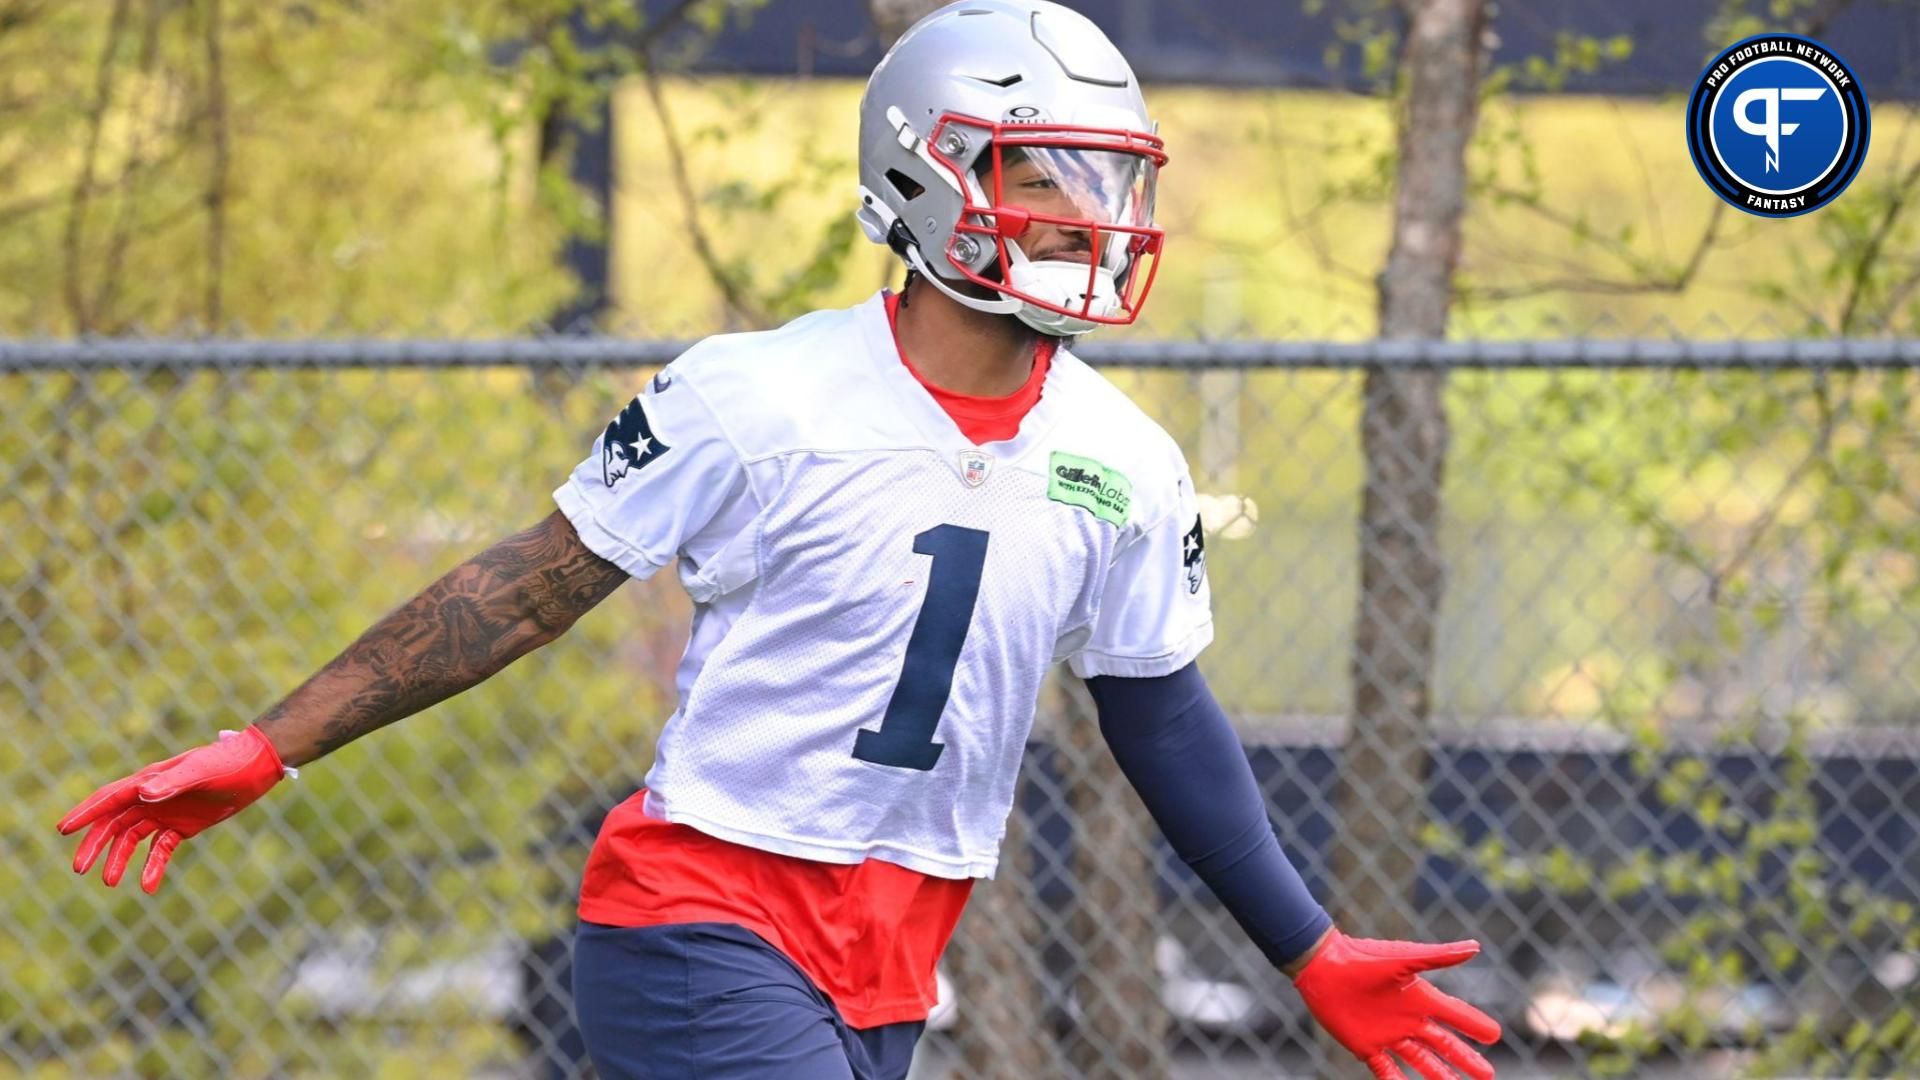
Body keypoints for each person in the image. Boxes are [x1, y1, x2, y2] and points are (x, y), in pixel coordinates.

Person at [56, 3, 1502, 1078]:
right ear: (926, 178)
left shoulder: (1123, 457)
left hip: (891, 960)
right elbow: (522, 589)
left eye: (1110, 181)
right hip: (704, 910)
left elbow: (1159, 711)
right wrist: (276, 740)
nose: (1093, 220)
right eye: (1046, 174)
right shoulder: (761, 396)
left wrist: (1307, 947)